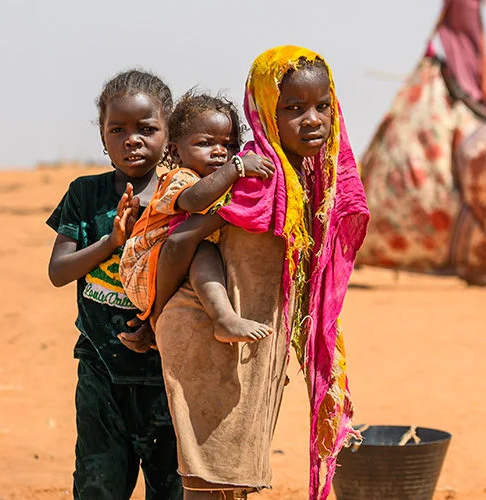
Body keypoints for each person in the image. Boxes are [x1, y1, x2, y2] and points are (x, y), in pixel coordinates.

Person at [153, 47, 369, 500]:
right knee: (211, 474)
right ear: (267, 112)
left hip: (251, 344)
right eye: (293, 108)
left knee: (234, 473)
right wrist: (153, 317)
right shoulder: (255, 176)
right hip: (209, 335)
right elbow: (178, 240)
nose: (312, 119)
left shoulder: (303, 178)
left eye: (322, 106)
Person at [46, 69, 183, 500]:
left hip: (167, 375)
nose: (132, 140)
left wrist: (156, 326)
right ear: (102, 136)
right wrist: (111, 242)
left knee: (172, 488)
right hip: (100, 373)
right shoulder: (86, 195)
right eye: (117, 129)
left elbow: (195, 273)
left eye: (146, 129)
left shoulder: (182, 196)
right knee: (98, 487)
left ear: (169, 132)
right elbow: (59, 270)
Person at [118, 91, 275, 353]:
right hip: (142, 266)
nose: (220, 152)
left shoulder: (219, 183)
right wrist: (236, 167)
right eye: (205, 143)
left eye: (230, 145)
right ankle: (222, 318)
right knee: (204, 251)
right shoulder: (180, 177)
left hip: (170, 263)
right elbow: (193, 201)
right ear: (175, 152)